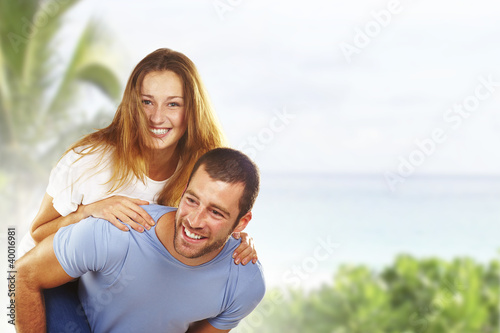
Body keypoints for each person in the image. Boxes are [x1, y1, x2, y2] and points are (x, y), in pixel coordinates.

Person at [18, 47, 257, 264]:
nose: (156, 117)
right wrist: (87, 212)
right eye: (146, 102)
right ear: (133, 105)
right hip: (47, 283)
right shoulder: (87, 161)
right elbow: (38, 233)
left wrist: (241, 243)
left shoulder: (203, 170)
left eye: (173, 104)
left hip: (111, 291)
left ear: (192, 110)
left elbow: (215, 227)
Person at [15, 148, 265, 333]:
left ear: (242, 222)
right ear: (184, 189)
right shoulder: (116, 232)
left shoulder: (245, 283)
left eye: (216, 212)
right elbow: (23, 273)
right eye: (192, 200)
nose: (195, 220)